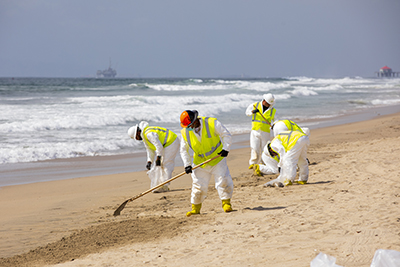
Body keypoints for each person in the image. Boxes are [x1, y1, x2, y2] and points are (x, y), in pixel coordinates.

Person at [179, 110, 234, 216]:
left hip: (217, 159)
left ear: (195, 120)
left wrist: (226, 149)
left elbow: (226, 135)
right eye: (187, 126)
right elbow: (183, 150)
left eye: (190, 125)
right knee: (198, 186)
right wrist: (187, 165)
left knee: (223, 181)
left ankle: (226, 203)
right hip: (200, 162)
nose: (188, 128)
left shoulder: (212, 123)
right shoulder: (185, 132)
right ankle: (196, 208)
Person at [128, 121, 180, 193]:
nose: (137, 139)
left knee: (166, 163)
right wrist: (149, 161)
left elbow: (158, 146)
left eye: (136, 137)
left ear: (138, 133)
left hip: (172, 141)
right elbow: (150, 150)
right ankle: (162, 184)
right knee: (161, 164)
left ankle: (164, 185)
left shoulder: (149, 134)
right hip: (165, 144)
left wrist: (158, 158)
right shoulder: (145, 137)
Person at [245, 93, 278, 170]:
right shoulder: (254, 105)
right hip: (255, 131)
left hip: (265, 132)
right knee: (254, 147)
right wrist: (253, 112)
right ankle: (253, 163)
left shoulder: (272, 110)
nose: (268, 105)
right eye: (267, 103)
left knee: (264, 149)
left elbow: (277, 120)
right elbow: (247, 113)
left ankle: (263, 163)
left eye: (270, 104)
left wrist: (274, 125)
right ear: (264, 101)